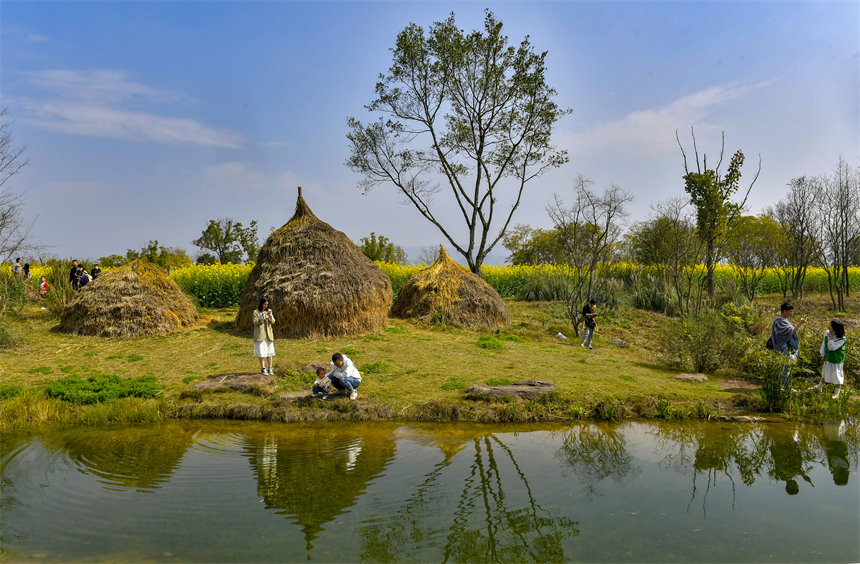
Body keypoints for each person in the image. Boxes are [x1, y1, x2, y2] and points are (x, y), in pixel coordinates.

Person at [771, 301, 806, 387]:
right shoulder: (780, 321)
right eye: (790, 311)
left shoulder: (784, 321)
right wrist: (800, 323)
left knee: (786, 367)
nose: (792, 313)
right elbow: (791, 332)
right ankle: (780, 386)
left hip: (785, 347)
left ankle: (784, 386)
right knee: (783, 367)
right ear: (784, 311)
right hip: (783, 347)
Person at [810, 320, 846, 399]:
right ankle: (819, 387)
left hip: (837, 360)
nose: (829, 326)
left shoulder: (841, 339)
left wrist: (830, 338)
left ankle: (837, 393)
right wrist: (823, 354)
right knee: (825, 372)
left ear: (835, 328)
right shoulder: (827, 333)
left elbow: (832, 348)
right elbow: (824, 344)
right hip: (828, 358)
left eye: (831, 325)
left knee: (837, 375)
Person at [253, 297, 276, 375]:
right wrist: (262, 316)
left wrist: (270, 316)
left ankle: (270, 368)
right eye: (264, 304)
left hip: (268, 334)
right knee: (262, 352)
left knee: (269, 352)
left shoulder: (269, 311)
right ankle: (263, 368)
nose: (266, 306)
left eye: (267, 304)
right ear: (261, 304)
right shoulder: (256, 312)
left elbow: (273, 322)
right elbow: (255, 322)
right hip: (260, 335)